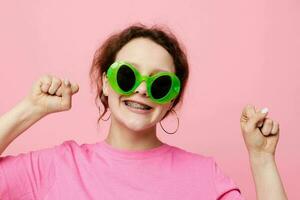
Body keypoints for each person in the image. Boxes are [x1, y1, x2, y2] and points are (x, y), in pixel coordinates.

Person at [0, 23, 288, 200]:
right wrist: (30, 109)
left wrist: (262, 160)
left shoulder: (204, 175)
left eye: (160, 83)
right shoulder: (58, 166)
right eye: (127, 76)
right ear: (105, 83)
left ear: (171, 100)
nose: (142, 90)